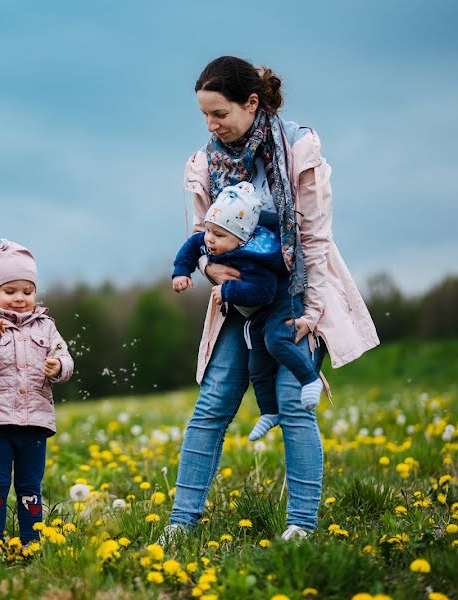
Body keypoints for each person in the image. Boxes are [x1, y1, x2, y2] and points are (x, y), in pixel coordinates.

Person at [164, 56, 379, 542]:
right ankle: (181, 523)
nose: (211, 125)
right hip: (237, 303)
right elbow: (199, 237)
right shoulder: (203, 164)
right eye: (204, 115)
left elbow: (315, 239)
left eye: (219, 113)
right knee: (213, 404)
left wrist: (313, 312)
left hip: (294, 297)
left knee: (293, 402)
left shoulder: (299, 149)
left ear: (252, 103)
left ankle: (300, 525)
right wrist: (206, 267)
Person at [172, 181, 324, 441]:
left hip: (281, 303)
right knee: (256, 362)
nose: (210, 239)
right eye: (209, 230)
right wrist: (182, 272)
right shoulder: (212, 239)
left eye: (218, 236)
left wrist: (228, 291)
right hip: (257, 313)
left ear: (241, 239)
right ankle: (268, 412)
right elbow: (192, 245)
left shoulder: (257, 257)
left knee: (275, 341)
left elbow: (263, 292)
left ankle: (310, 380)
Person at [0, 240, 74, 557]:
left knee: (30, 487)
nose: (20, 298)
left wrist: (59, 367)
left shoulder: (47, 326)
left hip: (35, 420)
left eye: (27, 290)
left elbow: (66, 359)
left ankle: (30, 542)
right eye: (10, 291)